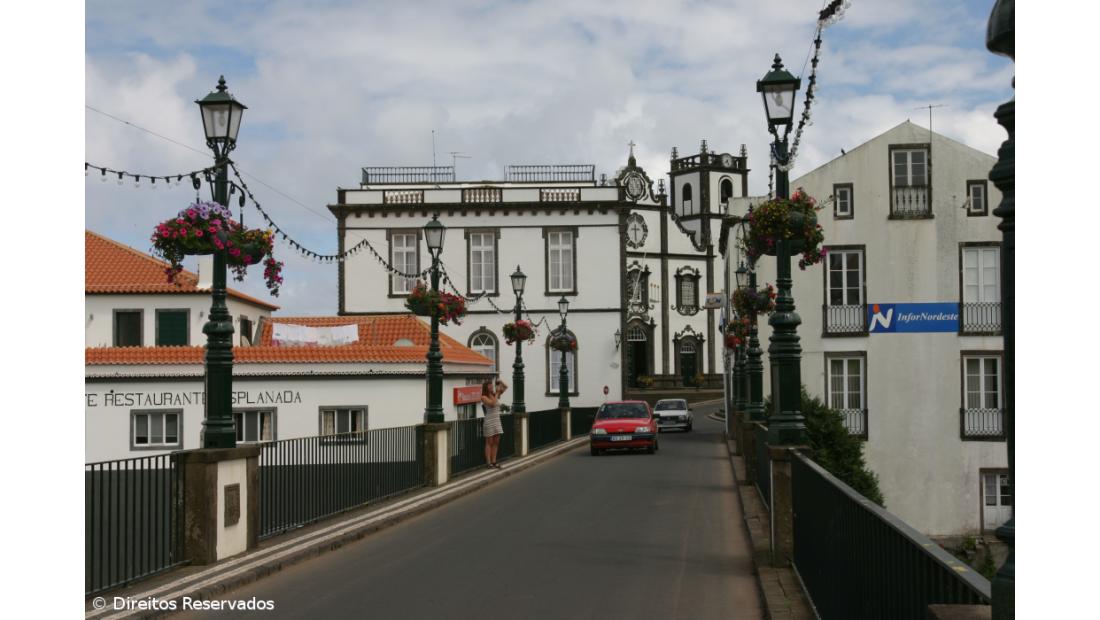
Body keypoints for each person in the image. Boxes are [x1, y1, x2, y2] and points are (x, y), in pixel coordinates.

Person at [481, 377, 507, 469]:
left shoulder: (495, 394)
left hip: (497, 420)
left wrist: (500, 381)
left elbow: (505, 387)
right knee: (489, 442)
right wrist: (497, 394)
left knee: (496, 442)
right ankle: (488, 463)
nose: (491, 387)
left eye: (492, 385)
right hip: (489, 421)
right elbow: (492, 404)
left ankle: (494, 461)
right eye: (489, 386)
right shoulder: (484, 397)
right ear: (486, 387)